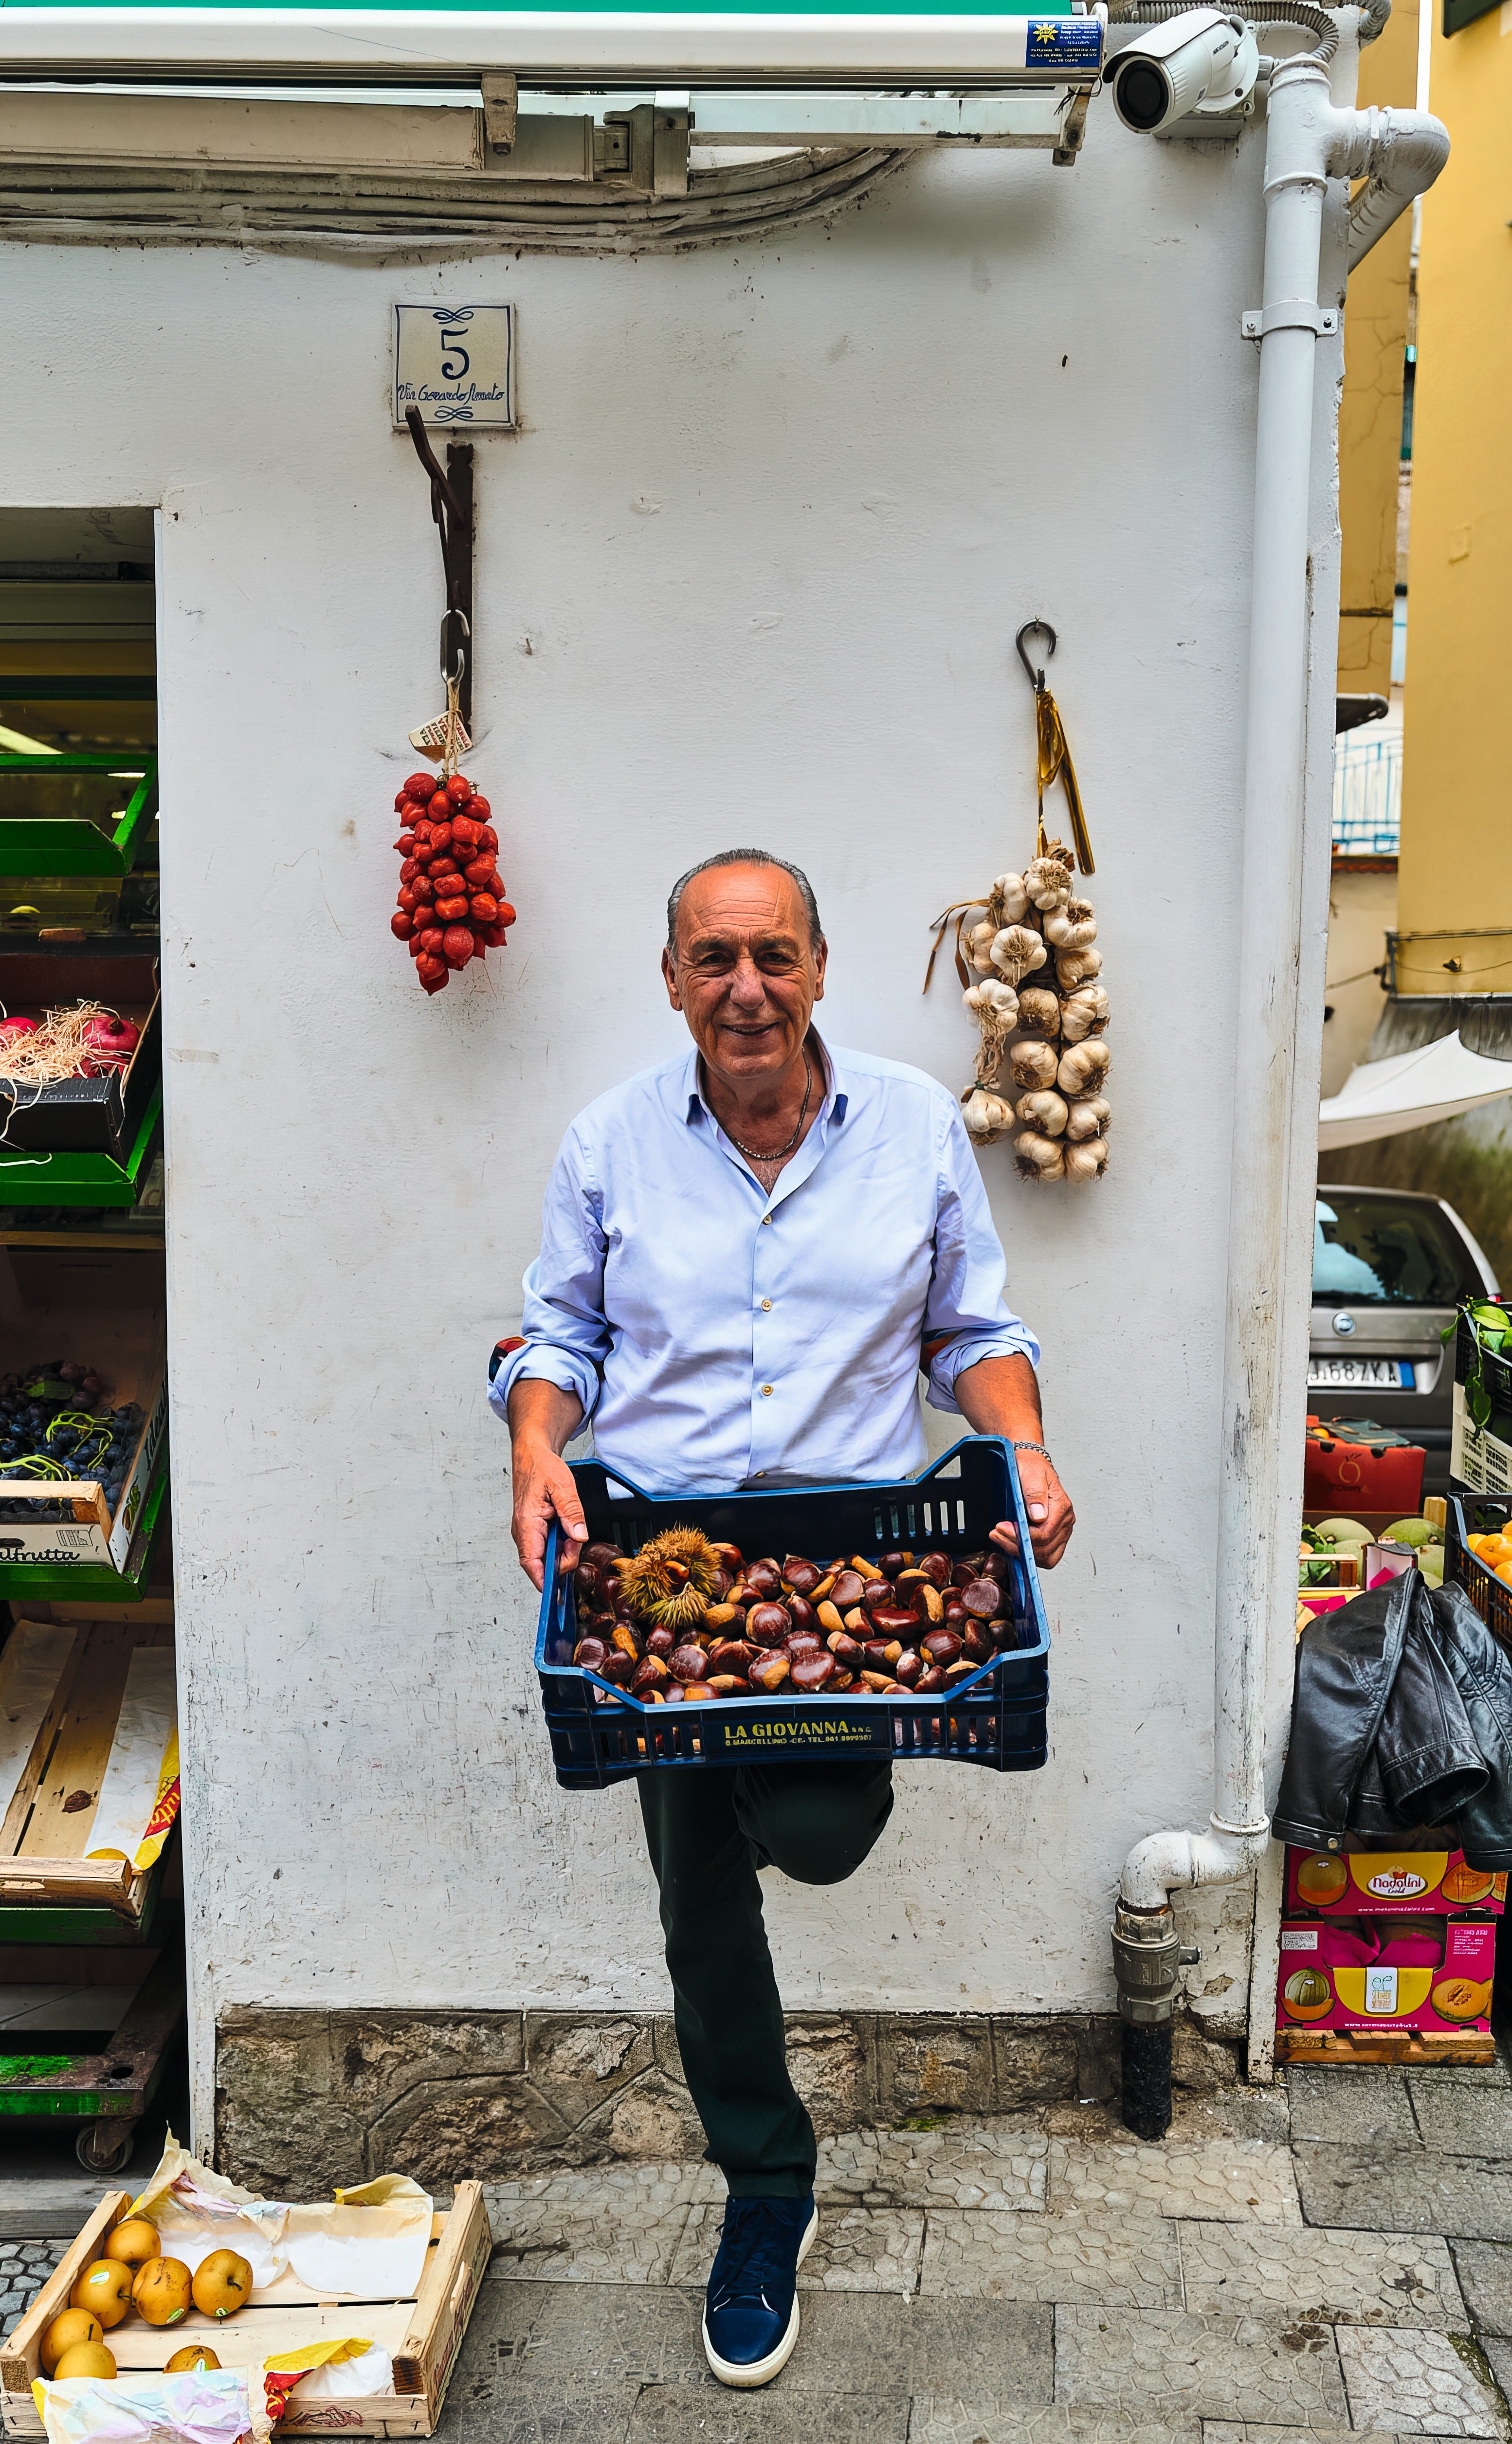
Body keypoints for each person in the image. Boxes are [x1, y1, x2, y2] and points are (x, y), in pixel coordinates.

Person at [490, 849, 1074, 2389]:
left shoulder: (914, 1127)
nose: (744, 988)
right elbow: (559, 1331)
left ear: (819, 966)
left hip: (854, 1572)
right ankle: (766, 2189)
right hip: (665, 1580)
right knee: (698, 1900)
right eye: (713, 959)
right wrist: (536, 1442)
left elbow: (974, 1326)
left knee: (819, 1828)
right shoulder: (611, 1141)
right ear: (671, 977)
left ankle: (737, 1796)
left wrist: (1017, 1446)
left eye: (772, 956)